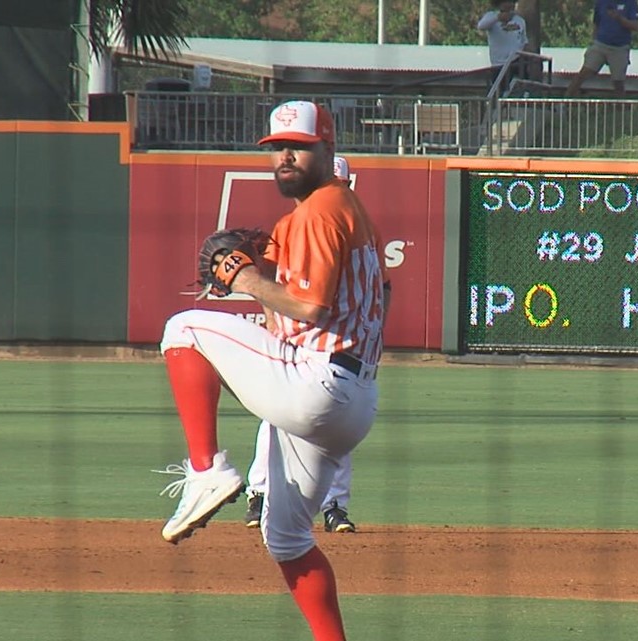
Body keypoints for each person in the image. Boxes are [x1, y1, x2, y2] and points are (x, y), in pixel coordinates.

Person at [155, 101, 387, 641]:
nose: (286, 156)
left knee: (182, 329)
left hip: (317, 383)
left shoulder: (321, 211)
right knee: (286, 539)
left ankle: (207, 470)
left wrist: (244, 280)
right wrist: (263, 263)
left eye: (299, 147)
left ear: (327, 150)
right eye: (278, 148)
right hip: (353, 402)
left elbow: (309, 308)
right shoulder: (346, 211)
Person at [244, 154, 358, 535]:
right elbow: (267, 274)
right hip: (293, 338)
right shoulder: (291, 227)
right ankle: (259, 493)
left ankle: (334, 506)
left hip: (331, 344)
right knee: (274, 416)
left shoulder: (353, 227)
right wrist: (273, 320)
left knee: (332, 425)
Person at [565, 0, 638, 98]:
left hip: (619, 48)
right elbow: (596, 23)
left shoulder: (630, 2)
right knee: (583, 74)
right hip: (600, 44)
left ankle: (620, 110)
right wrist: (593, 40)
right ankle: (564, 101)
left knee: (618, 83)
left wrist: (619, 18)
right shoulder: (601, 2)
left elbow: (636, 26)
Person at [476, 1, 528, 97]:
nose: (510, 4)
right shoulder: (491, 16)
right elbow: (481, 26)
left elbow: (524, 41)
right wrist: (498, 18)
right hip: (499, 64)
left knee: (521, 88)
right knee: (499, 93)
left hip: (515, 62)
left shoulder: (520, 21)